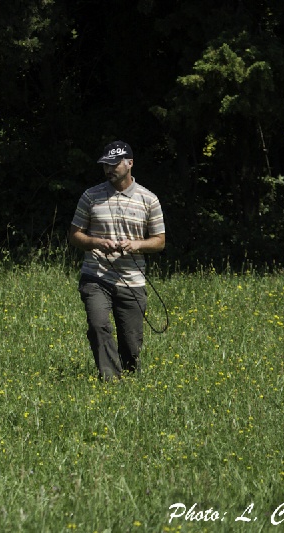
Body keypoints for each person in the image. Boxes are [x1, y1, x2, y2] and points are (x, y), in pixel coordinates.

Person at [68, 141, 166, 381]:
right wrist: (97, 243)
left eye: (114, 164)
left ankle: (130, 379)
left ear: (129, 163)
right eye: (105, 165)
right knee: (98, 325)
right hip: (96, 275)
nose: (108, 169)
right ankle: (110, 380)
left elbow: (159, 241)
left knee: (131, 344)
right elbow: (74, 235)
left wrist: (136, 245)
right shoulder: (91, 197)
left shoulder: (149, 199)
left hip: (132, 280)